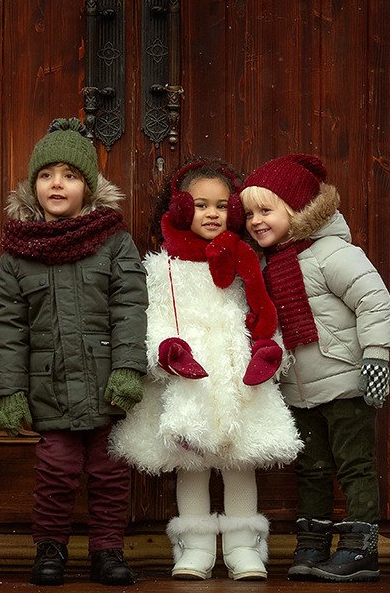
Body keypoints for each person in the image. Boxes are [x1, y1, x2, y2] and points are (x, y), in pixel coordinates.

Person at [110, 159, 302, 581]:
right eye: (200, 205)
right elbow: (153, 318)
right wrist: (166, 350)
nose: (212, 214)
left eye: (220, 205)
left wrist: (269, 352)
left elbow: (264, 314)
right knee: (191, 464)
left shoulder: (244, 262)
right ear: (180, 208)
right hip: (189, 382)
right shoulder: (163, 267)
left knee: (239, 463)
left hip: (238, 379)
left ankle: (242, 548)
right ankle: (195, 548)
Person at [0, 118, 148, 587]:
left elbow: (131, 308)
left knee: (109, 473)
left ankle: (107, 551)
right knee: (55, 472)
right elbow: (8, 327)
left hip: (106, 386)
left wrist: (128, 370)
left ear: (89, 187)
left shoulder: (114, 241)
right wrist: (9, 392)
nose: (57, 183)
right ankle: (50, 549)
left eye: (70, 175)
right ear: (33, 185)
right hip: (49, 387)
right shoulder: (19, 252)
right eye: (46, 175)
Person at [240, 154, 390, 583]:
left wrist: (376, 357)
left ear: (297, 210)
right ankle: (312, 543)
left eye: (266, 210)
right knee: (311, 469)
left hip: (345, 381)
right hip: (298, 388)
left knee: (354, 465)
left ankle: (360, 549)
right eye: (249, 212)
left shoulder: (332, 254)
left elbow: (374, 301)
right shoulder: (267, 265)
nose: (255, 221)